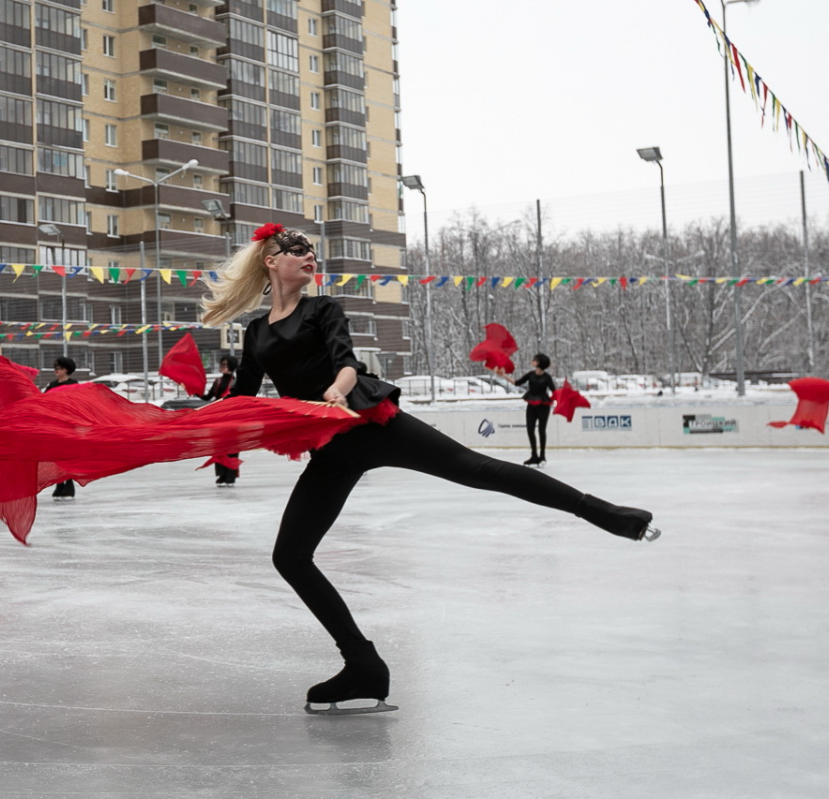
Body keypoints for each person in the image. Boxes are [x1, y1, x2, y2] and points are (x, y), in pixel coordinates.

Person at [200, 222, 659, 716]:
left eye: (313, 251)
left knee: (478, 468)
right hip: (328, 447)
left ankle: (606, 513)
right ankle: (363, 665)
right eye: (297, 251)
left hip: (370, 420)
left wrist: (337, 388)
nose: (310, 258)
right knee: (290, 556)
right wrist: (188, 425)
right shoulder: (257, 331)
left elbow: (346, 361)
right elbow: (242, 395)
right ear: (271, 261)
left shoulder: (322, 309)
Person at [497, 353, 556, 466]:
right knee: (530, 430)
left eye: (535, 359)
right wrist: (504, 375)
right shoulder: (530, 374)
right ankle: (534, 455)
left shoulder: (547, 377)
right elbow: (517, 383)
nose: (533, 360)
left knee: (541, 430)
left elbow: (554, 391)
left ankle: (542, 456)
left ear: (539, 363)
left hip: (543, 406)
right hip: (531, 404)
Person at [199, 355, 240, 486]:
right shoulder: (217, 381)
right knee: (219, 447)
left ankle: (230, 476)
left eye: (225, 365)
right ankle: (221, 475)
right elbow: (208, 397)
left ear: (231, 367)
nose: (222, 367)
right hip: (218, 418)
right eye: (221, 364)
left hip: (232, 418)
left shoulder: (236, 382)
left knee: (232, 448)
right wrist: (194, 390)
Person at [44, 356, 79, 499]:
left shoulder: (73, 384)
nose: (55, 371)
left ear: (66, 370)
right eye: (55, 368)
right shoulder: (52, 385)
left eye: (58, 368)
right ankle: (59, 483)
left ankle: (69, 483)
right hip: (54, 424)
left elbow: (77, 403)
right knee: (56, 455)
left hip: (68, 424)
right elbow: (42, 401)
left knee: (67, 455)